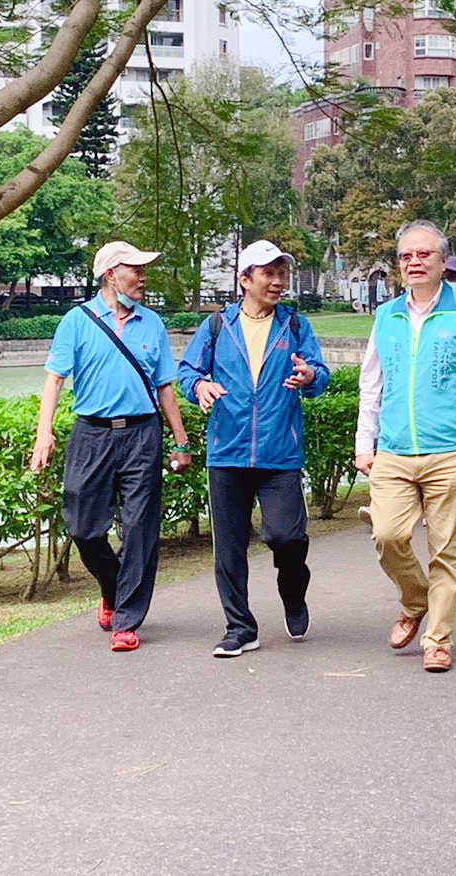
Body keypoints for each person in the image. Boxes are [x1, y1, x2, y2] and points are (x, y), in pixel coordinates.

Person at [355, 220, 456, 673]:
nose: (414, 262)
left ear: (442, 262)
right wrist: (366, 442)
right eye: (406, 256)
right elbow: (371, 385)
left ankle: (437, 640)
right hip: (395, 452)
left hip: (453, 450)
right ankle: (414, 600)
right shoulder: (387, 316)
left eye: (424, 255)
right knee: (388, 535)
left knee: (447, 552)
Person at [30, 241, 192, 653]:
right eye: (134, 270)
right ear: (110, 276)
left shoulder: (152, 323)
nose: (142, 277)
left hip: (142, 434)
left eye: (143, 269)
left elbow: (165, 387)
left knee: (140, 528)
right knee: (83, 526)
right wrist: (43, 433)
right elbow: (54, 380)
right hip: (92, 434)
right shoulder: (76, 321)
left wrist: (180, 440)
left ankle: (126, 619)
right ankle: (112, 587)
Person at [177, 240, 330, 658]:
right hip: (227, 452)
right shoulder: (217, 326)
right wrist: (200, 386)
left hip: (280, 451)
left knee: (287, 536)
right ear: (245, 279)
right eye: (269, 273)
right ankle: (240, 627)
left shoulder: (295, 325)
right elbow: (187, 371)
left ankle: (293, 591)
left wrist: (309, 376)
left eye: (282, 273)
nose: (279, 281)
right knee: (228, 548)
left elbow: (320, 373)